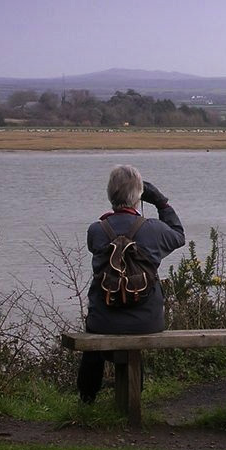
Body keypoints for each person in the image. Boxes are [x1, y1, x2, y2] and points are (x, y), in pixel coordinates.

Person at [77, 164, 185, 403]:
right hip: (147, 321)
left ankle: (86, 399)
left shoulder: (96, 230)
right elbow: (179, 235)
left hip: (103, 320)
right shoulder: (154, 230)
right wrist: (162, 203)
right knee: (133, 328)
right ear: (139, 195)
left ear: (109, 194)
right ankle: (135, 395)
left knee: (93, 337)